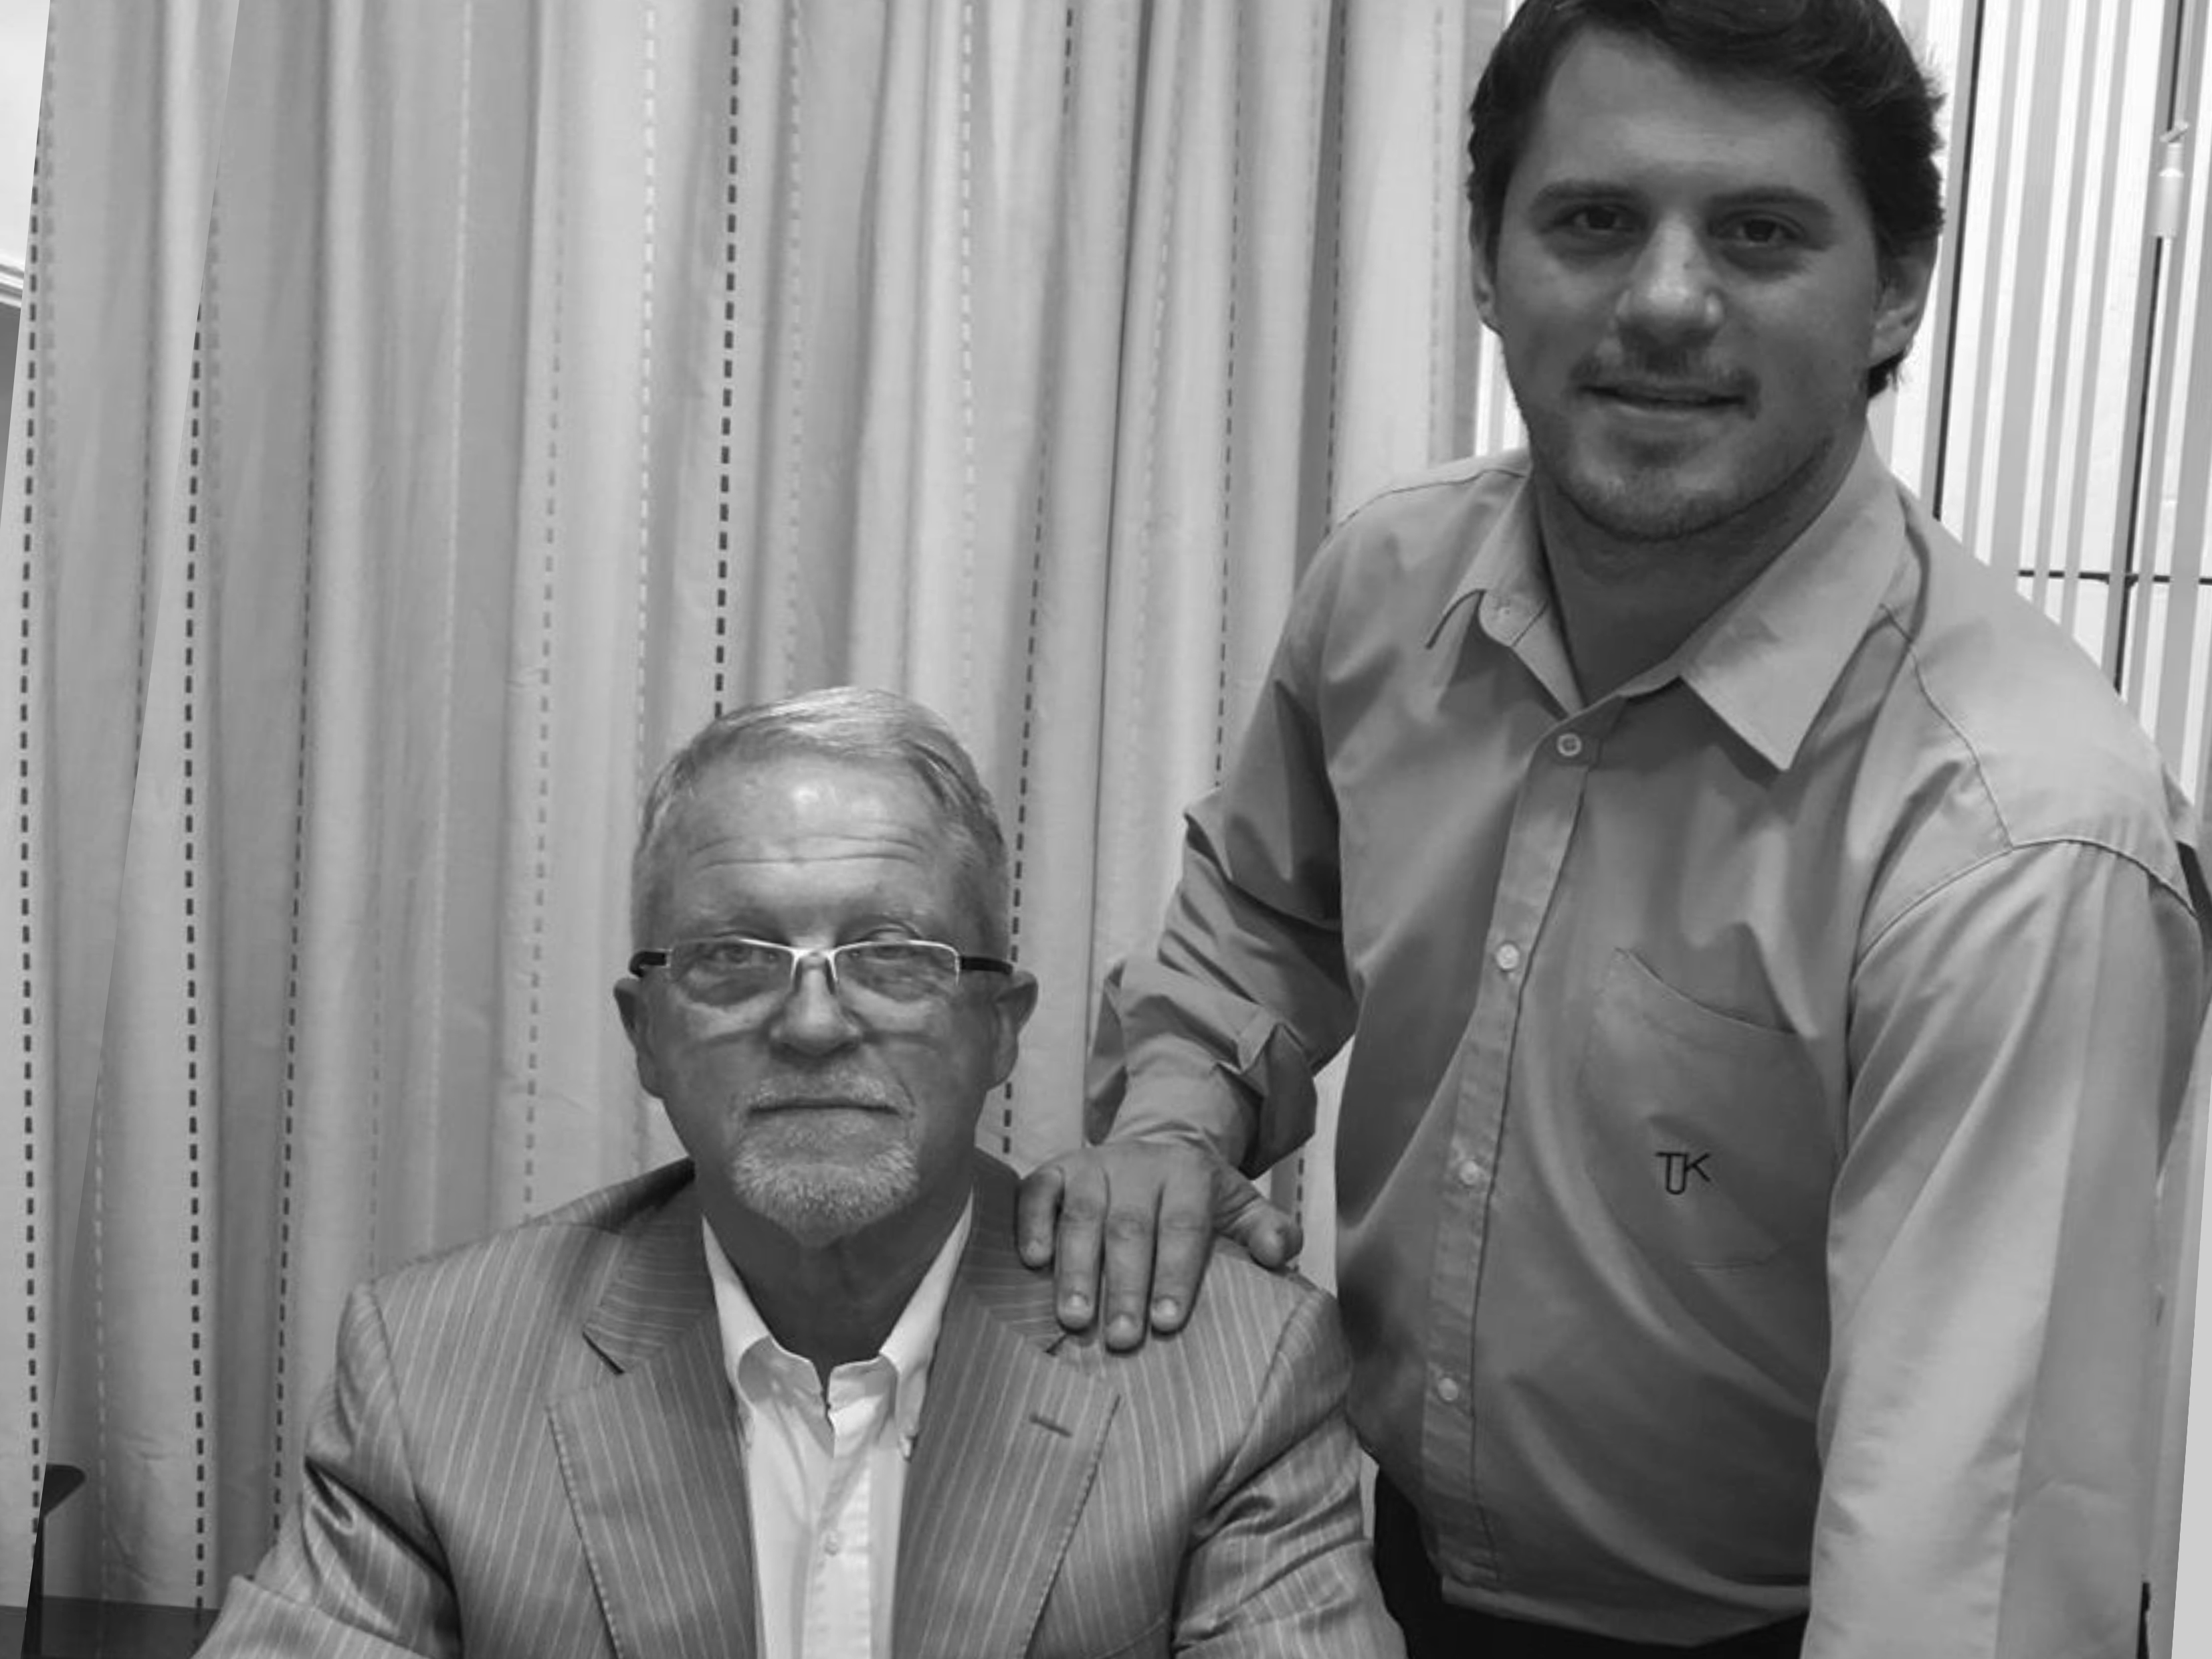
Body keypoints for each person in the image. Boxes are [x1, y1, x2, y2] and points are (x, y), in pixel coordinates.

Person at [1017, 4, 2211, 1657]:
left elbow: (1962, 1565)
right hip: (1383, 1565)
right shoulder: (1388, 584)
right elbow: (1266, 915)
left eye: (1759, 232)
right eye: (1592, 219)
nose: (1662, 300)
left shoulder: (2016, 840)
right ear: (1486, 261)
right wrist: (1178, 1110)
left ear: (1895, 288)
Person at [199, 687, 1405, 1659]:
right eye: (733, 959)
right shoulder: (436, 1370)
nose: (815, 1024)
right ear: (646, 1035)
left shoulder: (1229, 1375)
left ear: (1000, 1029)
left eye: (893, 955)